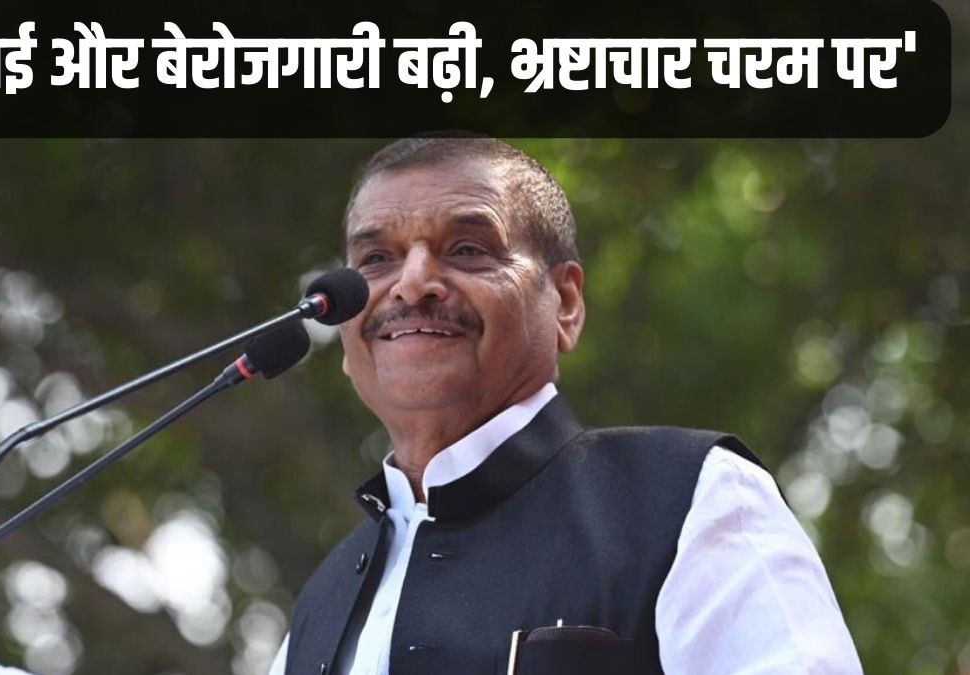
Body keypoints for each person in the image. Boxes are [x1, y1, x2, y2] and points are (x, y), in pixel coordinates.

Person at [267, 137, 862, 675]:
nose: (412, 282)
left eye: (468, 249)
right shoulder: (320, 608)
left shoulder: (690, 498)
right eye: (376, 260)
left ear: (566, 304)